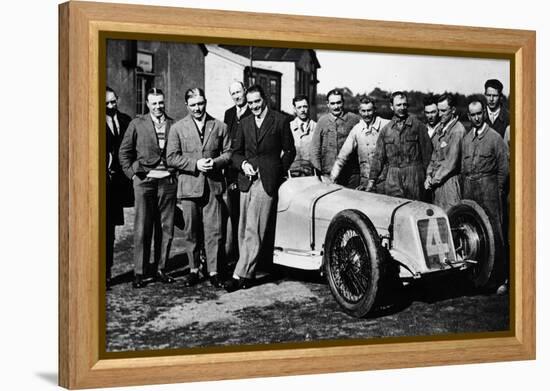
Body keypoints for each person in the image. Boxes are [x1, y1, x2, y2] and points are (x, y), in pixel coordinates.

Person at [225, 85, 296, 292]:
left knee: (253, 228)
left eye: (257, 101)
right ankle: (248, 269)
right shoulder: (245, 123)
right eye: (251, 103)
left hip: (266, 182)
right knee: (243, 227)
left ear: (264, 99)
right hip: (246, 181)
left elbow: (289, 151)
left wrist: (276, 171)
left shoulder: (280, 120)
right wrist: (243, 164)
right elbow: (235, 153)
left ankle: (240, 274)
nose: (254, 106)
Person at [166, 88, 231, 288]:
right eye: (193, 105)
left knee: (214, 231)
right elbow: (171, 157)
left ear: (206, 102)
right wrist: (195, 164)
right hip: (189, 187)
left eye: (200, 103)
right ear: (187, 106)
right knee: (191, 231)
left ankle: (213, 271)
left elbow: (229, 153)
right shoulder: (177, 128)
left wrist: (216, 162)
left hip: (213, 187)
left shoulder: (219, 126)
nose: (197, 108)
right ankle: (194, 270)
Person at [119, 88, 177, 289]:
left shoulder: (173, 124)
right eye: (154, 103)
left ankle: (161, 269)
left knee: (166, 228)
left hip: (168, 183)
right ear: (147, 104)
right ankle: (140, 273)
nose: (158, 106)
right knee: (143, 228)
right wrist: (133, 175)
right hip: (145, 182)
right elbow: (124, 153)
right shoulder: (137, 123)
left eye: (161, 102)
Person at [462, 98, 509, 293]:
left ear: (483, 113)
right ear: (469, 116)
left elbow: (504, 169)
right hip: (471, 190)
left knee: (495, 234)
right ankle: (478, 279)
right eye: (472, 115)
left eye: (479, 113)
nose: (476, 118)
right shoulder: (466, 139)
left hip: (489, 190)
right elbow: (463, 169)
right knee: (474, 233)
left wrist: (496, 189)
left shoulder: (495, 137)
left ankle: (500, 280)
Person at [367, 91, 432, 200]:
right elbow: (378, 157)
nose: (402, 107)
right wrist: (372, 180)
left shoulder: (418, 126)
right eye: (398, 105)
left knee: (415, 208)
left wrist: (429, 175)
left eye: (404, 104)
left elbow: (428, 155)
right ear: (392, 107)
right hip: (393, 177)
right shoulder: (386, 130)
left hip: (415, 176)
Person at [329, 96, 389, 191]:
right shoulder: (357, 129)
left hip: (385, 181)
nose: (366, 114)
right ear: (359, 111)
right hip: (365, 180)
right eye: (363, 111)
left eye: (369, 110)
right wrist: (332, 179)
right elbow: (342, 156)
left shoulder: (386, 125)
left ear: (374, 110)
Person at [105, 87, 133, 289]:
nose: (111, 106)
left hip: (121, 183)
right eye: (106, 103)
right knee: (102, 229)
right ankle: (103, 274)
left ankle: (107, 269)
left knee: (111, 231)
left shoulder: (125, 120)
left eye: (113, 102)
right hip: (102, 183)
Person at [222, 81, 252, 267]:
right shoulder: (229, 114)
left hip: (248, 169)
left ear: (245, 91)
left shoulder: (253, 112)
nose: (236, 96)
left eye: (239, 92)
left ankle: (247, 256)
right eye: (233, 93)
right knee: (234, 214)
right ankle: (234, 256)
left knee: (247, 216)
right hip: (232, 171)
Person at [310, 89, 361, 188]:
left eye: (338, 103)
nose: (336, 106)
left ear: (343, 102)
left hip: (351, 174)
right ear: (327, 104)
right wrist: (319, 172)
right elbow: (314, 148)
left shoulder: (354, 119)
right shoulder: (322, 121)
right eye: (332, 104)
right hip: (328, 174)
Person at [424, 94, 466, 210]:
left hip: (450, 183)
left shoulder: (457, 130)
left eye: (444, 111)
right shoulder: (440, 129)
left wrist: (433, 180)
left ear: (452, 110)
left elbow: (451, 163)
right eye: (439, 110)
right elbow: (434, 156)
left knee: (450, 218)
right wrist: (428, 175)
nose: (440, 114)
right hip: (437, 183)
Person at [289, 94, 316, 176]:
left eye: (305, 107)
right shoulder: (288, 127)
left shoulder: (316, 127)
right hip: (293, 173)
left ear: (309, 107)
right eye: (299, 107)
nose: (302, 110)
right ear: (294, 109)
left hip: (311, 173)